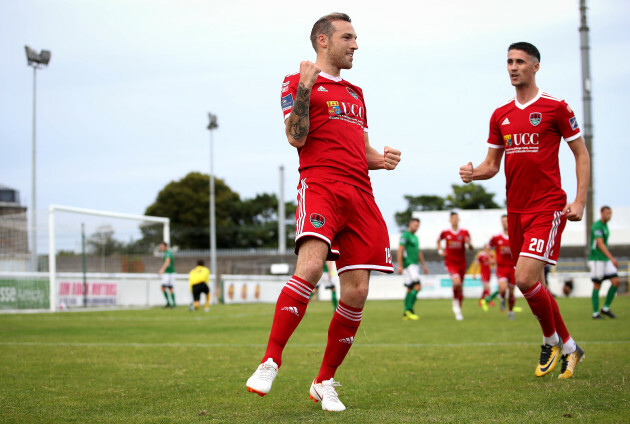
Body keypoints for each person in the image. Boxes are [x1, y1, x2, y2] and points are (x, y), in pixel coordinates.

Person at [245, 13, 401, 412]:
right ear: (322, 41)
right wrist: (305, 89)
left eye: (355, 37)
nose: (355, 45)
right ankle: (270, 360)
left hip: (361, 195)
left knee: (358, 291)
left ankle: (325, 381)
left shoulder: (357, 93)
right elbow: (296, 137)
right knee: (311, 266)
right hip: (321, 186)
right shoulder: (297, 83)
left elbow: (360, 150)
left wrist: (380, 159)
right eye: (348, 37)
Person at [459, 42, 590, 379]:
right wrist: (473, 174)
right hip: (515, 211)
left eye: (520, 62)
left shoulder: (556, 108)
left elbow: (581, 154)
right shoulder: (500, 115)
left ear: (535, 67)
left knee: (524, 278)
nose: (513, 67)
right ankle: (572, 346)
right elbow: (492, 165)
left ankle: (550, 339)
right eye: (509, 62)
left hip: (547, 207)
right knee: (533, 285)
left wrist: (579, 201)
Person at [437, 211, 474, 320]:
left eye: (456, 218)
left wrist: (469, 243)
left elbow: (471, 248)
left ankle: (458, 305)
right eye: (453, 218)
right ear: (450, 220)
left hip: (462, 263)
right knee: (457, 283)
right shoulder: (445, 232)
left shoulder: (464, 232)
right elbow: (438, 241)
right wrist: (440, 251)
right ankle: (456, 304)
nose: (454, 220)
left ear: (459, 220)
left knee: (460, 287)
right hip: (450, 262)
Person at [481, 215, 518, 320]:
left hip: (513, 268)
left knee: (511, 292)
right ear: (501, 223)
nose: (505, 223)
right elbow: (487, 248)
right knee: (502, 289)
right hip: (501, 268)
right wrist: (491, 258)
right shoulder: (496, 238)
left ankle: (510, 311)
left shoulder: (515, 235)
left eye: (507, 221)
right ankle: (502, 299)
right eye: (503, 221)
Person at [589, 206, 619, 319]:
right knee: (597, 284)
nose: (609, 215)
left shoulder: (605, 226)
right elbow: (600, 243)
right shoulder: (597, 226)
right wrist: (612, 258)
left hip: (605, 259)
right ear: (601, 213)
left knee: (616, 281)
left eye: (610, 213)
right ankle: (595, 313)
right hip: (597, 259)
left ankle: (605, 308)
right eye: (607, 213)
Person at [397, 218, 429, 320]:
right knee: (417, 286)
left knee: (410, 288)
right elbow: (400, 250)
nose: (416, 227)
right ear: (410, 224)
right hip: (409, 265)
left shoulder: (415, 237)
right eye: (415, 225)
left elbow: (419, 252)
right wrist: (400, 265)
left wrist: (423, 265)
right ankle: (409, 310)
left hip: (414, 265)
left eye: (418, 225)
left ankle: (406, 313)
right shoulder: (405, 235)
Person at [158, 241, 176, 308]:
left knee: (163, 287)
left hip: (168, 273)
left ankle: (169, 303)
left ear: (165, 246)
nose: (161, 247)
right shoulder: (167, 253)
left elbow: (167, 262)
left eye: (162, 246)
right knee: (170, 288)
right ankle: (173, 304)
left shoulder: (167, 253)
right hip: (170, 273)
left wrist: (162, 269)